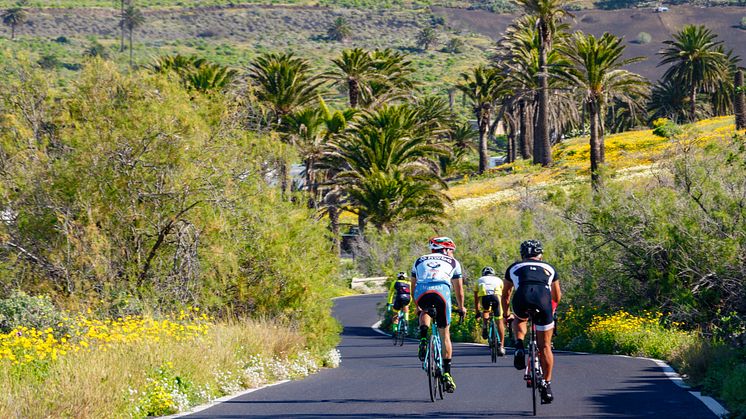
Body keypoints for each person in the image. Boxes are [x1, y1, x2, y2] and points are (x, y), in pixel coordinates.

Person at [501, 240, 561, 404]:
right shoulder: (549, 268)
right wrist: (551, 311)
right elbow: (557, 296)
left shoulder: (514, 267)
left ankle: (519, 344)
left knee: (519, 318)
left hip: (522, 298)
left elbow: (506, 294)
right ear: (540, 255)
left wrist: (506, 315)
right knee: (545, 346)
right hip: (543, 300)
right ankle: (547, 385)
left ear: (522, 255)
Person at [411, 236, 466, 393]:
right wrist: (461, 307)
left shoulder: (419, 260)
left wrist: (417, 306)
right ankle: (447, 373)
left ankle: (422, 338)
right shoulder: (454, 263)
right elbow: (459, 290)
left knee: (424, 310)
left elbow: (413, 285)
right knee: (445, 336)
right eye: (452, 251)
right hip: (442, 292)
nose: (453, 254)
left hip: (421, 292)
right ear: (446, 250)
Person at [474, 266, 506, 356]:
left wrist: (477, 312)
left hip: (485, 298)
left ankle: (484, 327)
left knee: (486, 310)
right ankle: (502, 346)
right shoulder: (499, 280)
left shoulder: (479, 280)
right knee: (499, 321)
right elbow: (504, 297)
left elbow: (476, 299)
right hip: (496, 297)